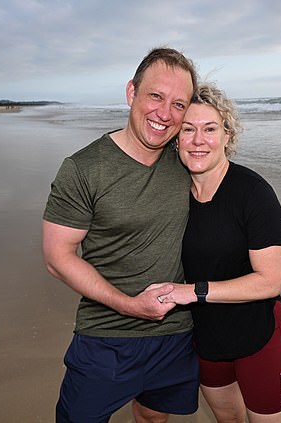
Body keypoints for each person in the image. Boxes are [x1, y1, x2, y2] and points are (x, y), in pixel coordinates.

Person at [42, 47, 199, 423]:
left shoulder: (188, 161)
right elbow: (58, 258)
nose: (165, 114)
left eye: (179, 104)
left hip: (176, 336)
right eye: (155, 96)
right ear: (132, 93)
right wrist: (130, 305)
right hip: (106, 338)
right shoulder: (84, 169)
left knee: (152, 417)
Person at [154, 83, 281, 423]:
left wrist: (193, 292)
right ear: (176, 139)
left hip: (259, 338)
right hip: (207, 344)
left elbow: (270, 281)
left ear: (227, 136)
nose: (198, 140)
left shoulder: (253, 194)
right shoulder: (171, 195)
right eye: (188, 129)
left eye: (210, 129)